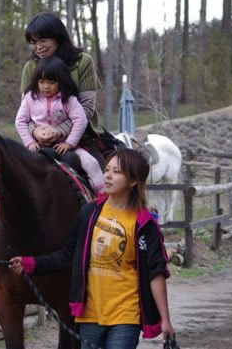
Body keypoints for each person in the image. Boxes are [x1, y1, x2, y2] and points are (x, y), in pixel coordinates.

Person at [9, 148, 175, 349]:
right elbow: (69, 254)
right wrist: (31, 263)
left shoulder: (144, 224)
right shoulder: (89, 212)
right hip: (89, 316)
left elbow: (155, 273)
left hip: (126, 316)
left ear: (133, 181)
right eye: (107, 170)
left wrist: (165, 319)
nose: (108, 175)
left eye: (117, 171)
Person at [21, 12, 107, 167]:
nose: (38, 47)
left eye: (43, 40)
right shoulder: (30, 67)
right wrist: (35, 132)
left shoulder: (83, 62)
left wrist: (59, 131)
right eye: (33, 42)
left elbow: (87, 107)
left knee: (104, 172)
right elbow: (25, 110)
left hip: (81, 137)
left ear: (58, 37)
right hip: (39, 140)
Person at [15, 56, 105, 193]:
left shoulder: (68, 99)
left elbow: (81, 120)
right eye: (41, 82)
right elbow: (20, 121)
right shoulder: (30, 98)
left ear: (61, 82)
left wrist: (69, 143)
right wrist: (29, 143)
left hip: (65, 146)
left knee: (91, 163)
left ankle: (103, 198)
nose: (45, 86)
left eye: (51, 82)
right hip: (37, 145)